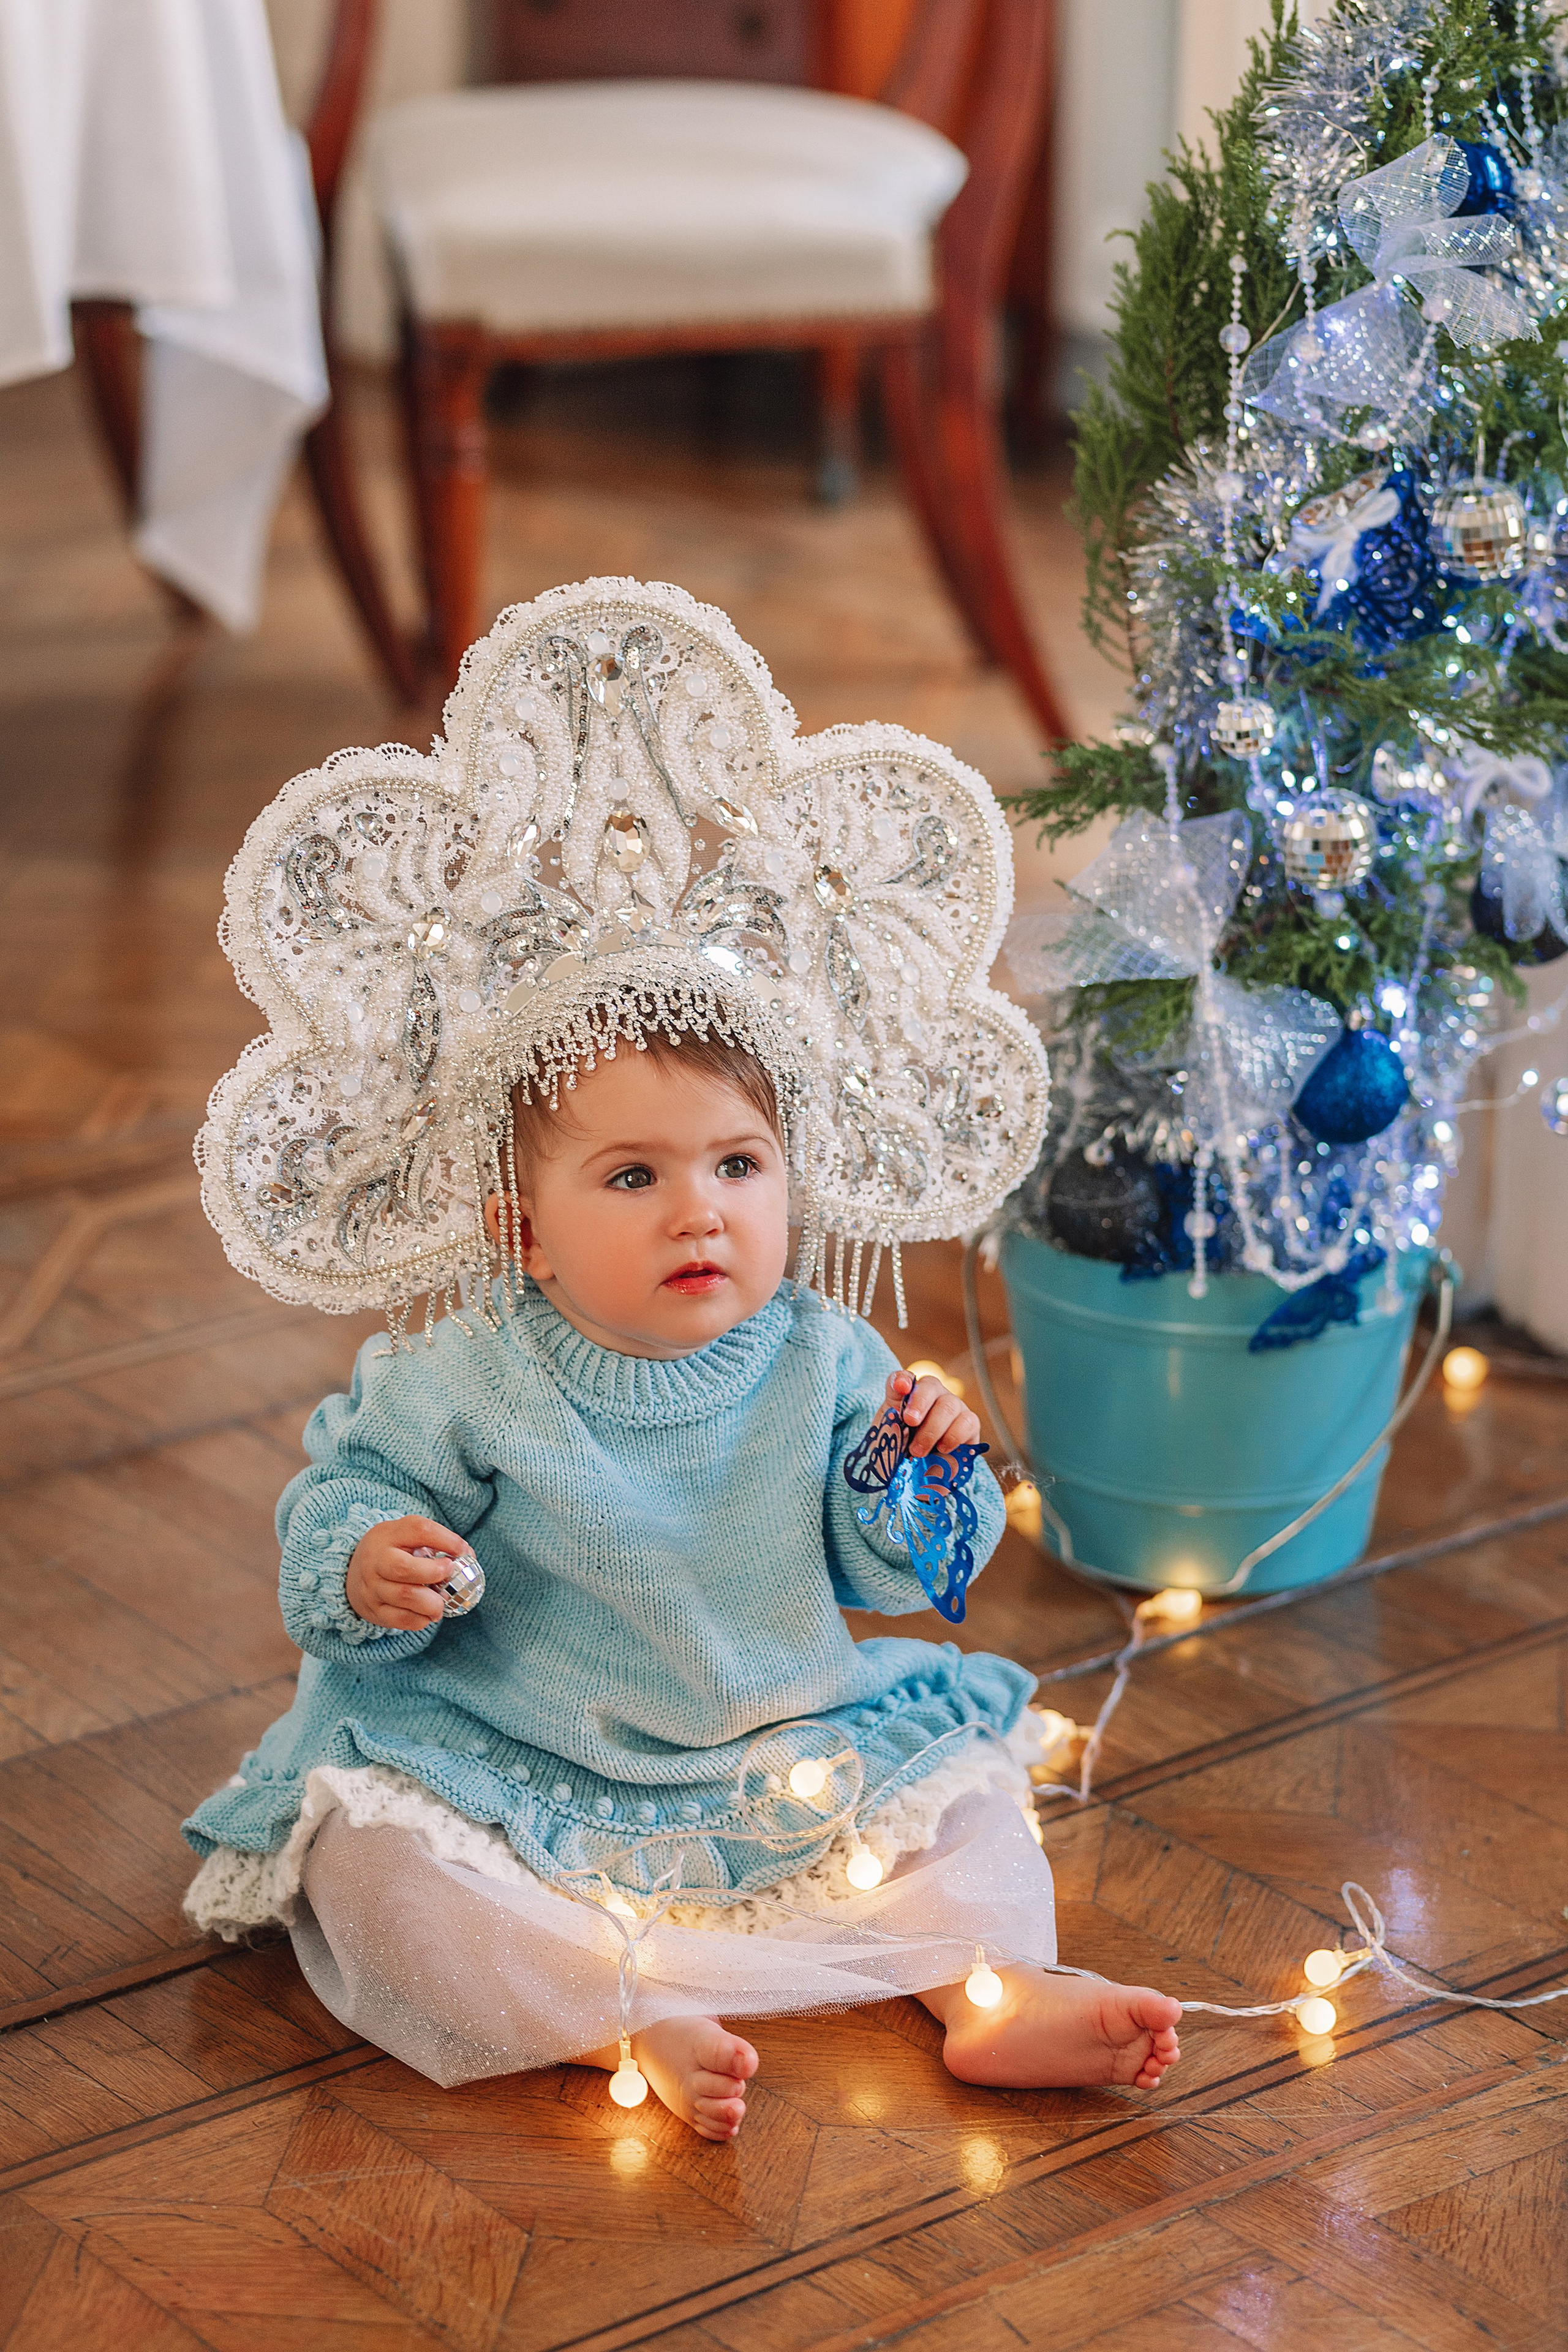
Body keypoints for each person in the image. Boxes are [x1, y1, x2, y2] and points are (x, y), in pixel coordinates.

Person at [183, 583, 1181, 2138]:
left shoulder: (822, 1350)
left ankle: (994, 1986)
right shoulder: (464, 1376)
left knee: (970, 1791)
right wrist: (371, 1559)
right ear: (523, 1230)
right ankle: (606, 2015)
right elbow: (346, 1501)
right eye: (632, 1178)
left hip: (782, 1751)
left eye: (737, 1164)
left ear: (794, 1177)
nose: (698, 1209)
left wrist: (928, 1477)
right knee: (373, 1867)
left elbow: (897, 1569)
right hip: (514, 1758)